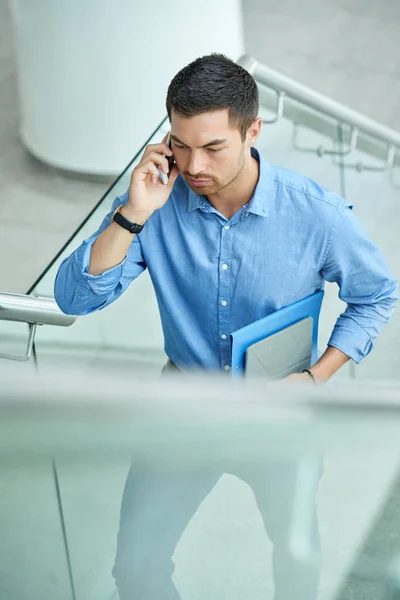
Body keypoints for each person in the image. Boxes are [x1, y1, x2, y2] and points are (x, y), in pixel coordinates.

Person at [54, 54, 397, 598]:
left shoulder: (317, 215)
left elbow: (376, 296)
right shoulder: (155, 202)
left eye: (213, 147)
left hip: (282, 413)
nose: (193, 166)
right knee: (137, 568)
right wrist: (133, 214)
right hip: (184, 405)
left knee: (295, 559)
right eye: (181, 144)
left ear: (252, 131)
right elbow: (74, 297)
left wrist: (316, 380)